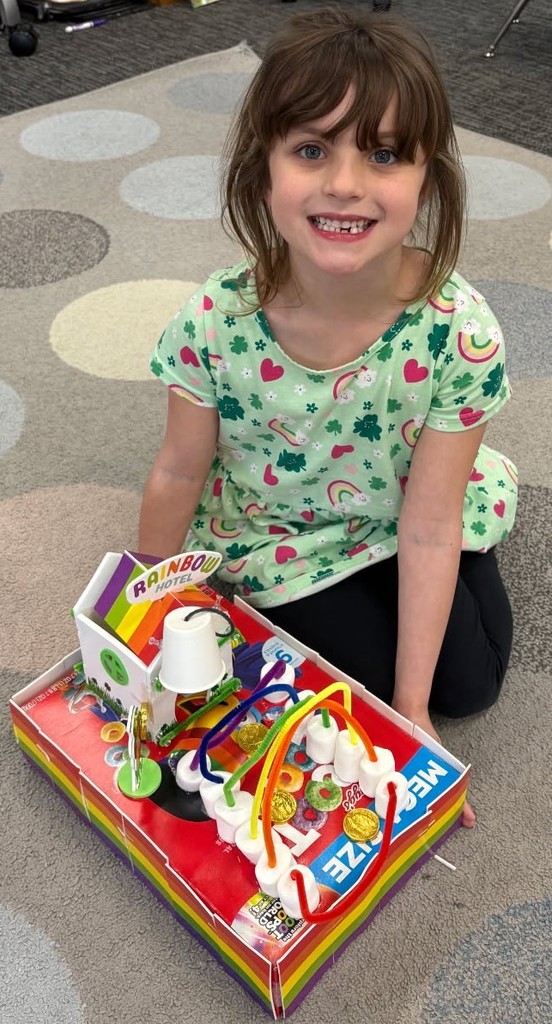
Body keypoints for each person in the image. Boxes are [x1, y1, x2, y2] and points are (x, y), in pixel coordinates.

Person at [139, 7, 518, 827]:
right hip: (282, 533)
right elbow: (177, 469)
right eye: (312, 150)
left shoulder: (461, 330)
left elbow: (426, 523)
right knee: (352, 687)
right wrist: (142, 610)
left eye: (382, 154)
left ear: (426, 179)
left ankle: (476, 554)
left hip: (408, 508)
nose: (345, 184)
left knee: (464, 689)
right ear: (263, 169)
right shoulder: (213, 321)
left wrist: (413, 714)